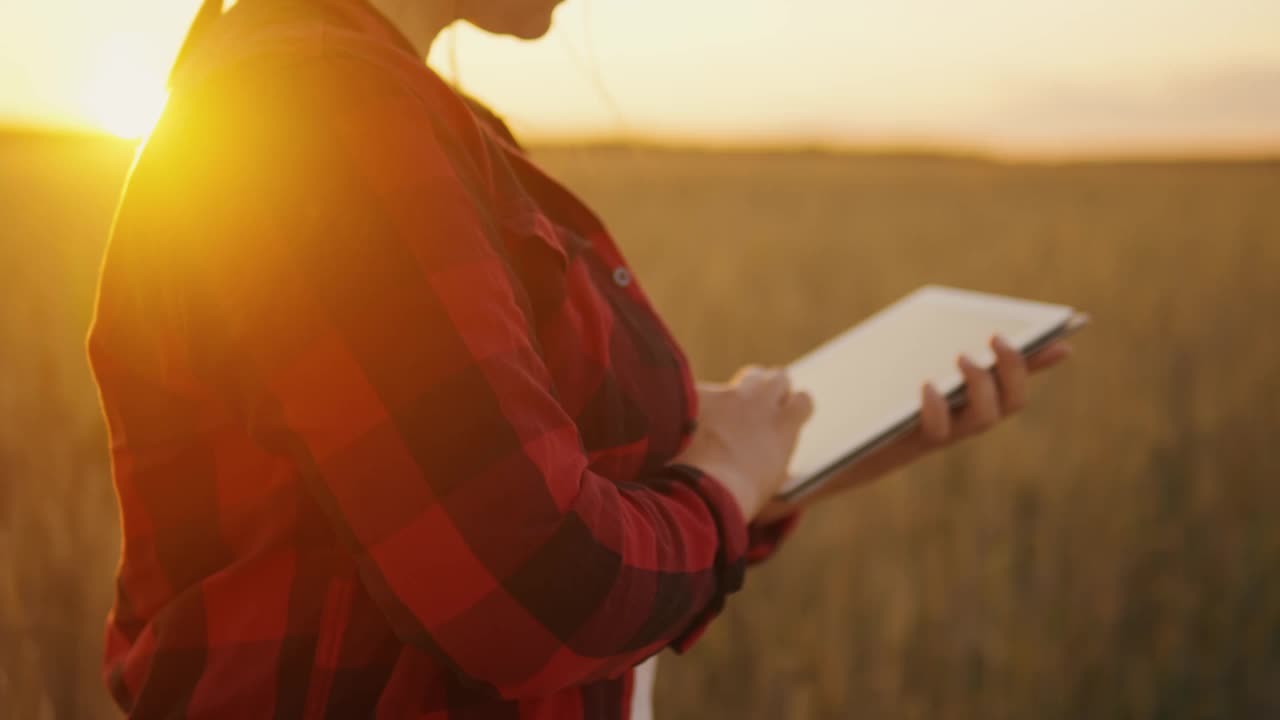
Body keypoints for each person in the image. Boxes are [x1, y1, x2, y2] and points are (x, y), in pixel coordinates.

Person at [86, 0, 1073, 717]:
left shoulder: (377, 107)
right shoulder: (321, 118)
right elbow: (532, 586)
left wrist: (795, 458)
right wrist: (724, 482)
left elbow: (503, 479)